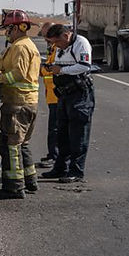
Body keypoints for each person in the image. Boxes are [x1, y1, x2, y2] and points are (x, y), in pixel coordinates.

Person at [0, 10, 41, 198]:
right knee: (23, 143)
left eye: (7, 29)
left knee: (11, 146)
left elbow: (18, 74)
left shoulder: (20, 47)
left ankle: (14, 187)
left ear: (16, 28)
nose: (6, 33)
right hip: (29, 102)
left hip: (17, 103)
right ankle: (30, 181)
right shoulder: (28, 45)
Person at [42, 23, 94, 183]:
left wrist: (62, 71)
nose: (55, 46)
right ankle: (60, 168)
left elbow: (84, 66)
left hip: (79, 94)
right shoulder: (60, 47)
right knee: (62, 132)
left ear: (65, 36)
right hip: (64, 94)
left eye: (56, 42)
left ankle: (76, 171)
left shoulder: (81, 43)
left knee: (78, 134)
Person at [37, 23, 59, 169]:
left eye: (46, 36)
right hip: (52, 95)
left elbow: (54, 69)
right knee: (53, 128)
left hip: (57, 95)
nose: (45, 39)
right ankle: (53, 154)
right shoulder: (52, 48)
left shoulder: (58, 49)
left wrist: (41, 70)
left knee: (55, 129)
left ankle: (54, 156)